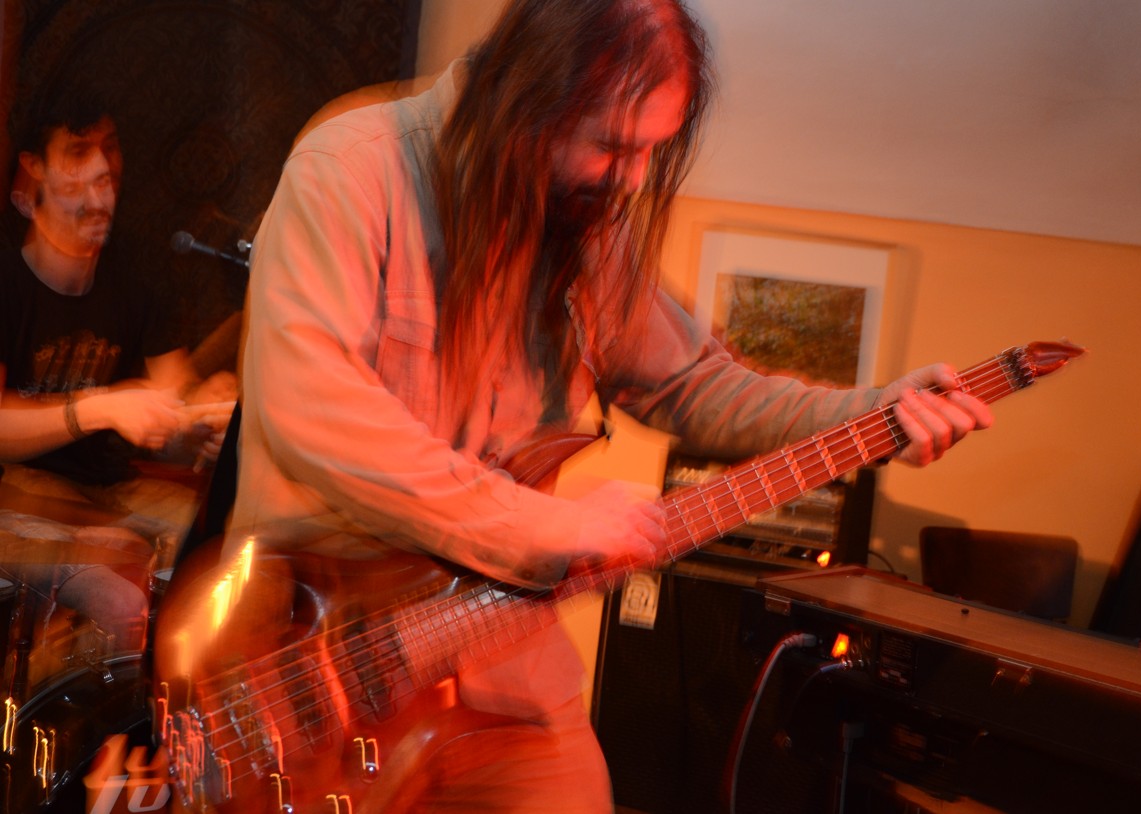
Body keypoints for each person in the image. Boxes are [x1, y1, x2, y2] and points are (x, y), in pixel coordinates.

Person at [230, 0, 992, 809]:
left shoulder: (586, 220)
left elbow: (690, 382)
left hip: (503, 672)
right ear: (528, 100)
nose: (631, 179)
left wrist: (875, 414)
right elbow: (313, 407)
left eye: (650, 151)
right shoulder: (351, 168)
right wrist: (546, 525)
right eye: (613, 146)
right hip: (319, 655)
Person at [0, 88, 233, 652]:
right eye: (79, 152)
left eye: (109, 150)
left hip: (109, 496)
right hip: (16, 500)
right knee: (120, 593)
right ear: (33, 172)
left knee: (227, 552)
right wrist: (98, 407)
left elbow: (173, 395)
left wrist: (204, 418)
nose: (102, 170)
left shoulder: (134, 278)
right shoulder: (5, 277)